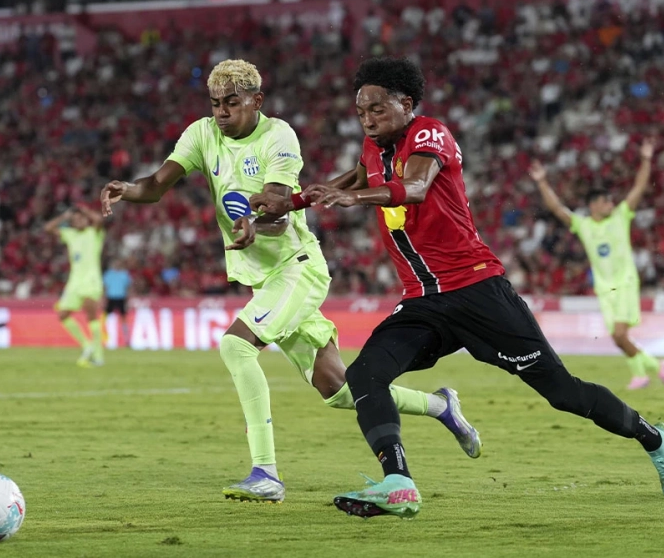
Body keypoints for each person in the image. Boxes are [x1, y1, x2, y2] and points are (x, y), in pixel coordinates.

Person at [250, 56, 664, 519]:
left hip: (478, 291)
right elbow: (353, 179)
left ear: (406, 103)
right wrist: (289, 203)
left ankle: (655, 439)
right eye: (361, 112)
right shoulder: (373, 148)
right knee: (364, 375)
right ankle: (398, 481)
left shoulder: (429, 133)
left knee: (563, 392)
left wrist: (351, 198)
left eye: (377, 109)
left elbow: (414, 187)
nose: (368, 119)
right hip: (423, 303)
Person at [100, 59, 481, 504]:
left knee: (236, 345)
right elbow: (157, 184)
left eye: (232, 103)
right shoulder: (202, 133)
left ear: (256, 101)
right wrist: (128, 188)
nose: (221, 112)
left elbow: (280, 215)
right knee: (338, 389)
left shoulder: (278, 136)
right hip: (265, 279)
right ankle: (441, 406)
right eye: (216, 104)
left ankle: (266, 474)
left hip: (297, 267)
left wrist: (252, 226)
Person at [529, 145, 664, 390]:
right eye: (605, 200)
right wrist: (543, 181)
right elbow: (557, 209)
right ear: (593, 206)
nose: (611, 203)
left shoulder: (620, 216)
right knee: (619, 339)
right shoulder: (584, 225)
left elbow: (639, 188)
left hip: (625, 282)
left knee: (619, 335)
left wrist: (646, 159)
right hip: (604, 287)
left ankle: (656, 366)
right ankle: (643, 372)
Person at [43, 205, 106, 368]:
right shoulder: (69, 234)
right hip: (74, 282)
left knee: (91, 315)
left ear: (86, 220)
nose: (78, 221)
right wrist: (64, 217)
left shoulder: (94, 233)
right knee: (63, 314)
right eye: (75, 220)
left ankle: (98, 356)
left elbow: (98, 219)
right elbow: (48, 228)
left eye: (81, 218)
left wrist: (84, 210)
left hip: (91, 281)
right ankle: (87, 345)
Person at [103, 258, 133, 345]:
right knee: (106, 319)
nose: (117, 265)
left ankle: (127, 339)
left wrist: (128, 299)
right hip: (111, 298)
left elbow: (128, 287)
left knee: (123, 318)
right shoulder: (108, 274)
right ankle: (104, 337)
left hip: (121, 298)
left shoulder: (124, 274)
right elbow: (105, 287)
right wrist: (104, 299)